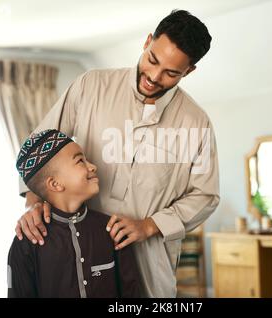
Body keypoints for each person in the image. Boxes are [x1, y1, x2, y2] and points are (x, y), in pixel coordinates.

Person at [15, 9, 220, 297]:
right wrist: (33, 204)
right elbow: (39, 146)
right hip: (77, 248)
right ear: (148, 41)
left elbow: (206, 195)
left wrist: (150, 226)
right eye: (152, 59)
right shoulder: (91, 86)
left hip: (149, 259)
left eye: (171, 73)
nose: (154, 76)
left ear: (189, 71)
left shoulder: (196, 122)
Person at [8, 129, 141, 297]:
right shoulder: (26, 244)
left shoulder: (113, 230)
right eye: (80, 161)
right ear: (55, 184)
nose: (93, 166)